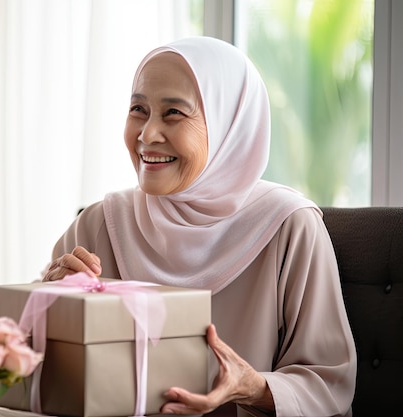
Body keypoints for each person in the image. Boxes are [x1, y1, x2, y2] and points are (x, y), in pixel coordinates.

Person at [41, 37, 356, 416]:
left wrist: (253, 387)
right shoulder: (98, 223)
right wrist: (46, 303)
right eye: (138, 109)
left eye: (173, 112)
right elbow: (21, 365)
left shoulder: (289, 227)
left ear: (229, 125)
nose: (147, 134)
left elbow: (329, 383)